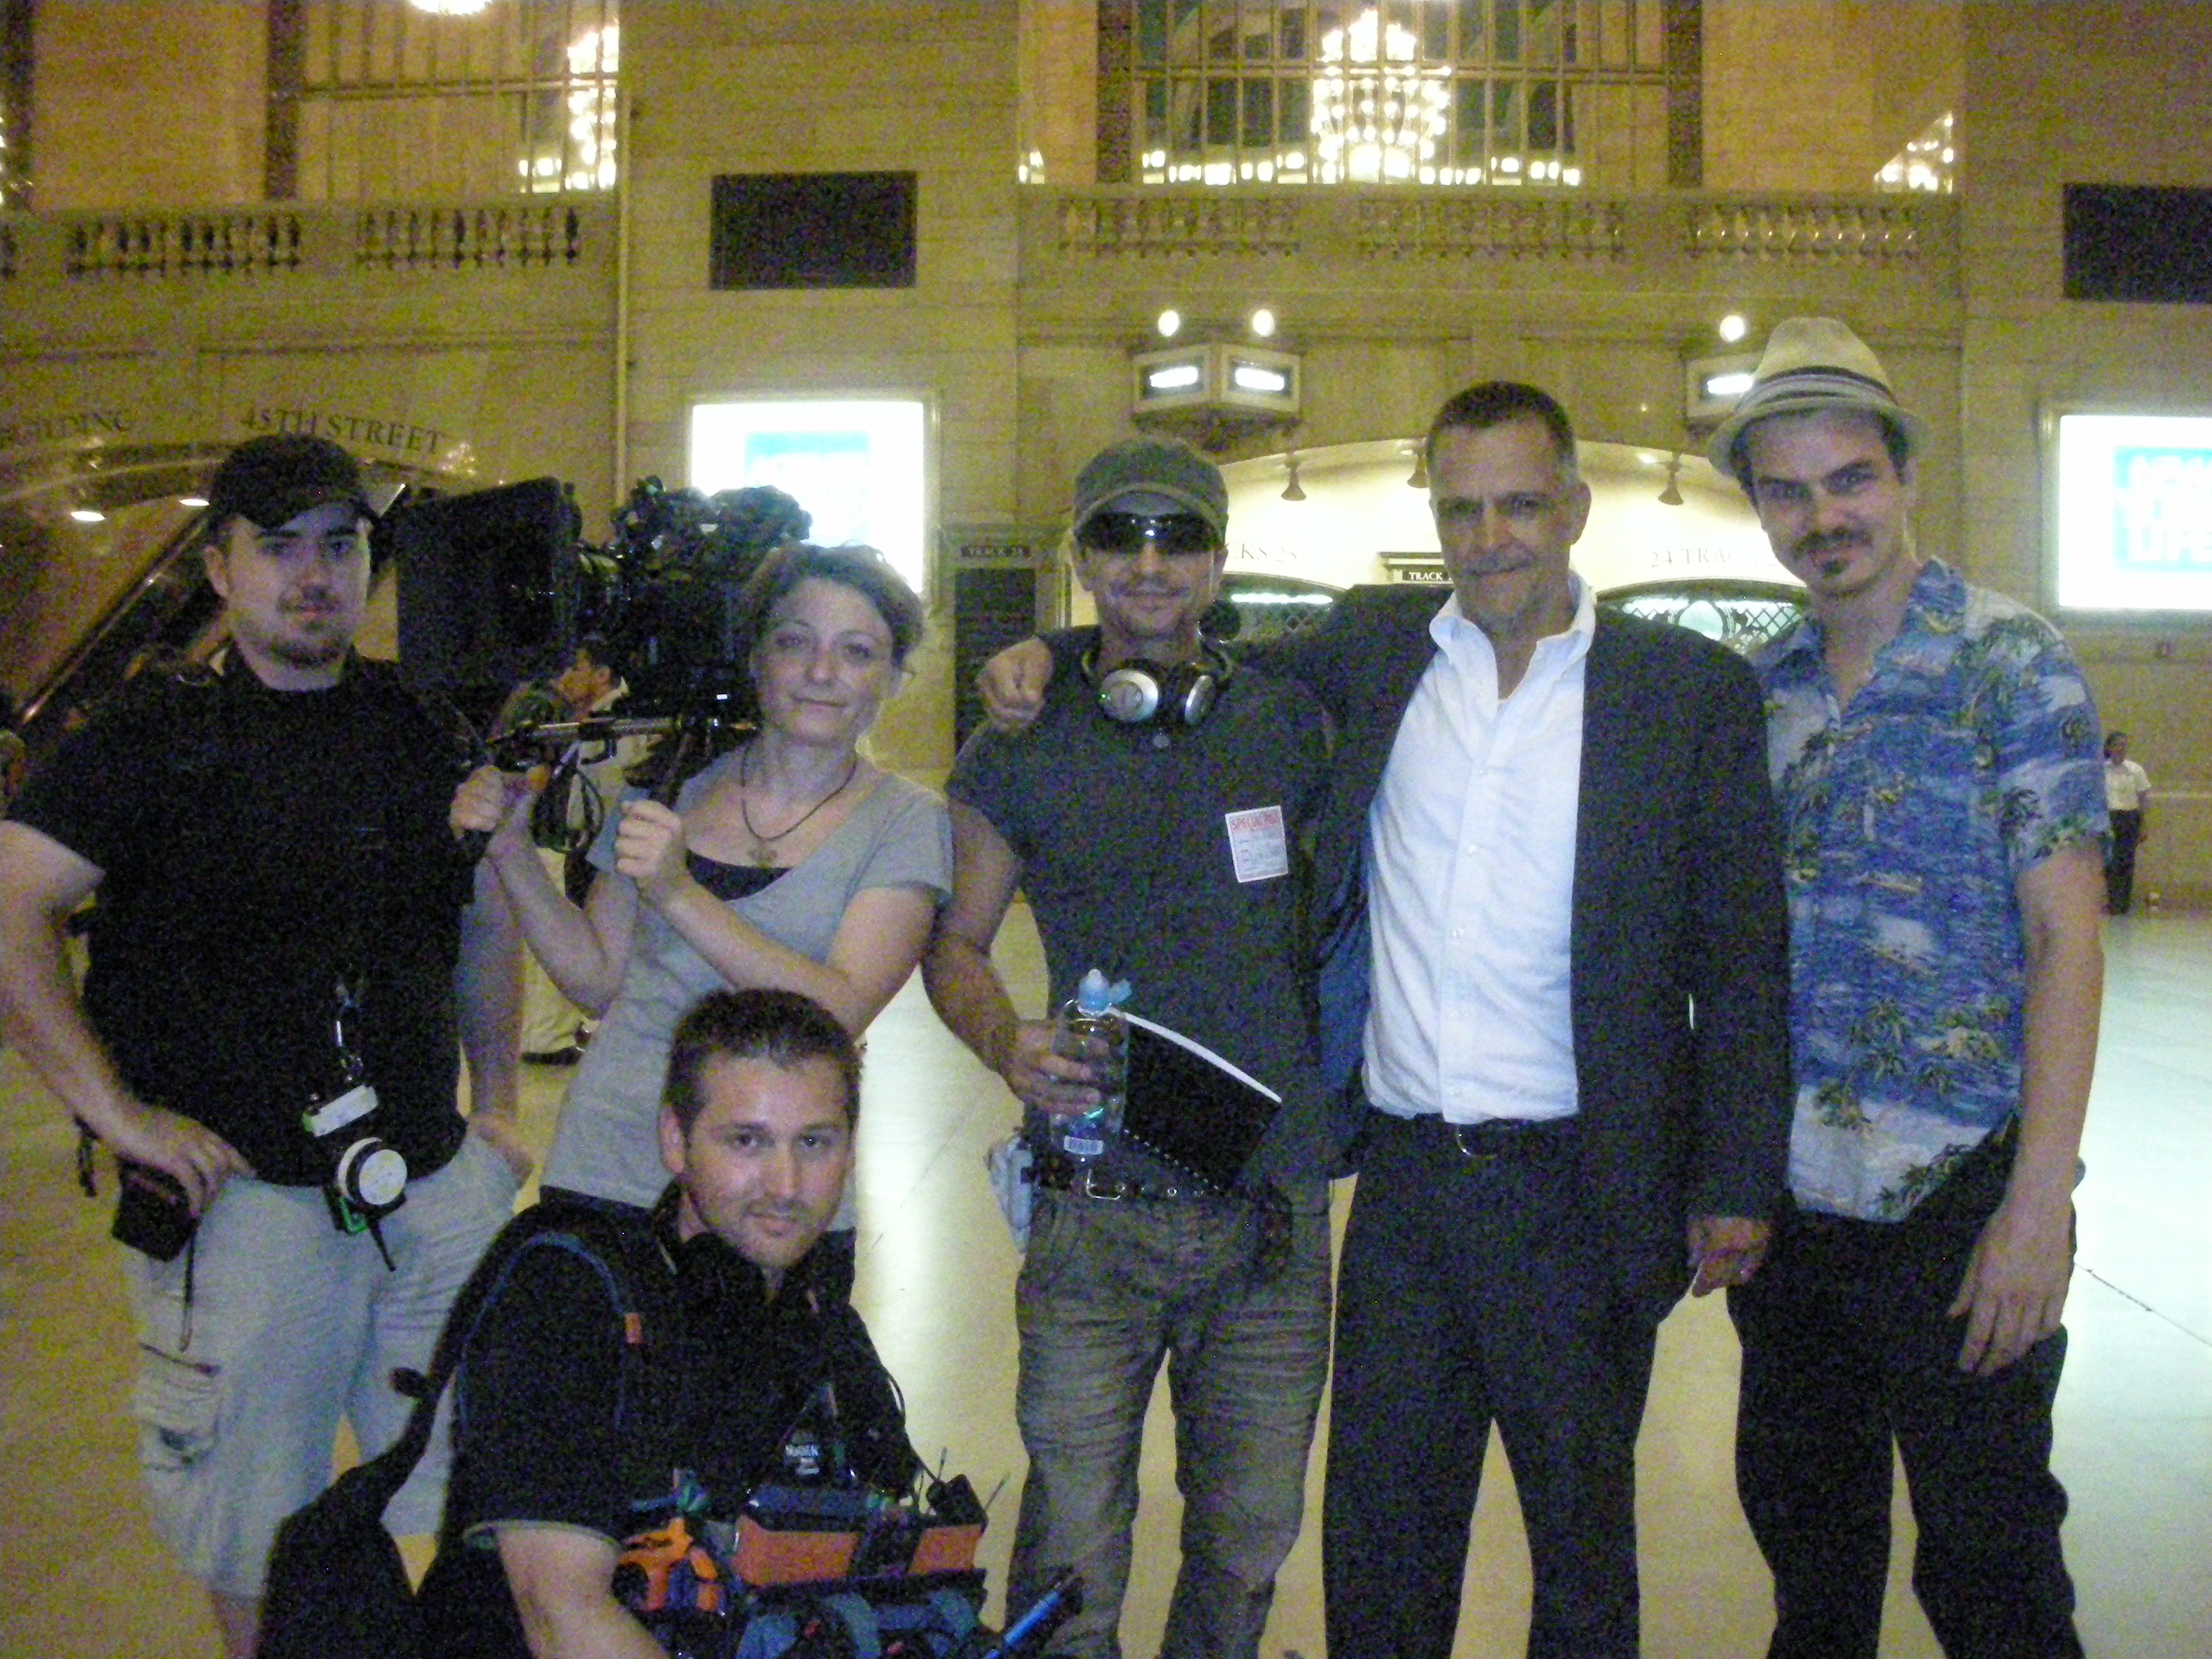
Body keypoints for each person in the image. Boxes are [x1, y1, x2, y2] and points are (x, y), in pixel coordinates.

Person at [979, 387, 1794, 1658]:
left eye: (1519, 503)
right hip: (1407, 1185)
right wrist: (1042, 650)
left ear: (1572, 509)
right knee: (1379, 1535)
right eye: (1460, 508)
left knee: (1581, 1538)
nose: (1489, 537)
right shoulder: (1375, 648)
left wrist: (1735, 1174)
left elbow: (1742, 954)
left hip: (1583, 1180)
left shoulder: (1685, 690)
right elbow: (1170, 638)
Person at [0, 433, 528, 1658]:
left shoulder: (418, 723)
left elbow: (484, 909)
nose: (313, 576)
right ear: (221, 567)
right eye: (279, 547)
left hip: (428, 1184)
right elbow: (12, 899)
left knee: (480, 1509)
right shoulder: (155, 734)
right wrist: (117, 1114)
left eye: (339, 546)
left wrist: (498, 1106)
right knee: (257, 1535)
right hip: (245, 1209)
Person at [1712, 316, 2108, 1659]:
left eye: (1848, 478)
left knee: (1994, 1575)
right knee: (1812, 1581)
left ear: (1901, 476)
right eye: (1786, 489)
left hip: (1960, 1204)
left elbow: (2067, 938)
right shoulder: (1753, 695)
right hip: (1796, 1221)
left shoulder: (2010, 661)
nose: (1822, 516)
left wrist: (2037, 1200)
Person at [924, 436, 1336, 1659]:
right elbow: (955, 945)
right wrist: (1007, 1039)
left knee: (1250, 1533)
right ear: (1079, 556)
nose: (1148, 562)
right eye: (1117, 535)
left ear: (1219, 558)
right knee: (1070, 1545)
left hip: (1268, 1212)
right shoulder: (1021, 739)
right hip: (1092, 1213)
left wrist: (1045, 642)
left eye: (1177, 535)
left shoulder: (1291, 721)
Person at [422, 986, 922, 1659]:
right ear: (674, 1140)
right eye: (746, 1141)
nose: (785, 1183)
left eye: (814, 1142)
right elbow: (560, 1616)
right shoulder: (570, 1296)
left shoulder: (826, 1334)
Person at [452, 541, 950, 1214]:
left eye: (857, 652)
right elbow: (599, 980)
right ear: (755, 658)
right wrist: (510, 849)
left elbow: (838, 1010)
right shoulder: (670, 779)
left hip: (777, 1190)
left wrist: (679, 894)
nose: (821, 672)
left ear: (892, 678)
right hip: (608, 1154)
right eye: (794, 642)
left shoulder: (907, 820)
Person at [2102, 729, 2152, 914]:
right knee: (2110, 860)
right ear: (2109, 747)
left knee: (2127, 860)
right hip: (2109, 817)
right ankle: (2111, 900)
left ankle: (2123, 902)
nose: (2121, 749)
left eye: (2124, 746)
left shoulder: (2135, 770)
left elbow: (2143, 798)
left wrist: (2143, 825)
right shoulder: (2101, 769)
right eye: (2117, 745)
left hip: (2129, 817)